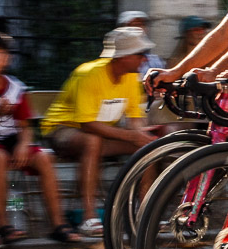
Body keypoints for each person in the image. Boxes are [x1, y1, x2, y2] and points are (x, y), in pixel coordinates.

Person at [0, 32, 78, 248]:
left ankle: (58, 224)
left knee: (44, 158)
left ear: (7, 59)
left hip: (11, 139)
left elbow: (24, 126)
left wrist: (24, 145)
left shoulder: (16, 87)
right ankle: (3, 225)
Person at [40, 26, 159, 238]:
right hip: (62, 130)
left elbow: (134, 117)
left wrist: (141, 133)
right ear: (123, 56)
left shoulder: (131, 77)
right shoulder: (88, 74)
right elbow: (87, 124)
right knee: (92, 141)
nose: (145, 59)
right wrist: (131, 135)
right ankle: (89, 217)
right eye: (140, 54)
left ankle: (144, 213)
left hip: (101, 134)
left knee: (147, 146)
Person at [117, 10, 165, 76]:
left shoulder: (155, 62)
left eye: (142, 24)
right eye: (135, 25)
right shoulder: (115, 61)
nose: (139, 28)